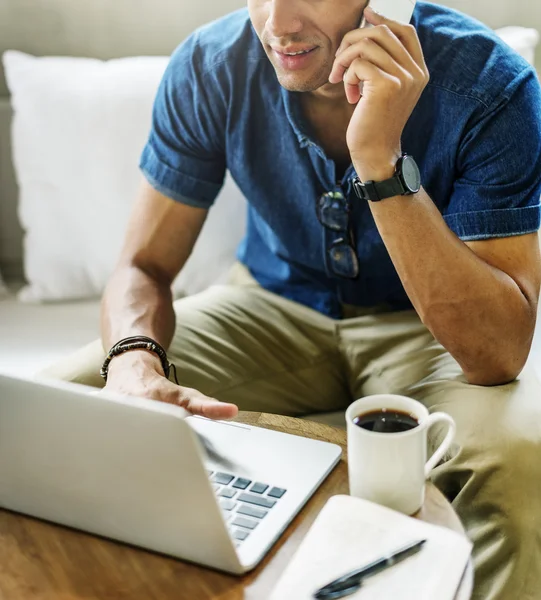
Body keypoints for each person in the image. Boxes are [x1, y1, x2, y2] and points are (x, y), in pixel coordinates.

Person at [41, 1, 541, 598]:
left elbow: (496, 353)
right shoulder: (209, 65)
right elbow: (143, 265)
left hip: (427, 328)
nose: (278, 24)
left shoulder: (492, 84)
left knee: (517, 463)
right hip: (270, 305)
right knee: (59, 407)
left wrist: (378, 159)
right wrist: (130, 362)